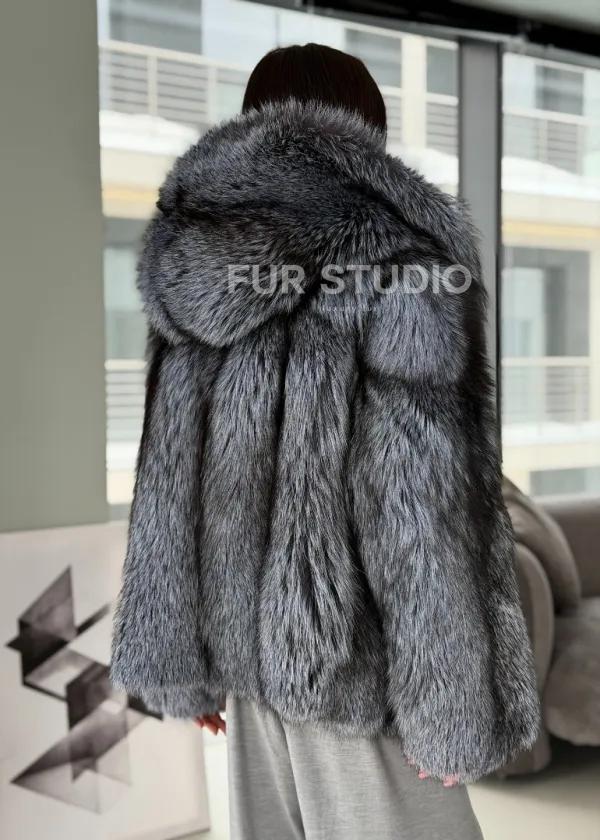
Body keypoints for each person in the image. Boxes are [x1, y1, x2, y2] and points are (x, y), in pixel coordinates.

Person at [111, 43, 540, 840]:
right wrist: (447, 702)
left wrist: (181, 659)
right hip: (358, 669)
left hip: (249, 667)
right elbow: (416, 501)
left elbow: (168, 481)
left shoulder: (190, 261)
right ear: (364, 129)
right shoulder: (401, 260)